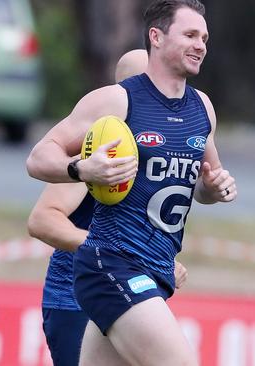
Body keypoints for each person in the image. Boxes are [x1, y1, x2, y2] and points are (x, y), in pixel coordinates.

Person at [26, 1, 236, 364]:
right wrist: (82, 170)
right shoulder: (116, 103)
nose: (201, 44)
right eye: (190, 35)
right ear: (156, 37)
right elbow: (38, 158)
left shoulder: (202, 108)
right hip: (112, 266)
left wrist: (213, 190)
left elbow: (203, 186)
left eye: (204, 37)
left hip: (156, 269)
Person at [27, 48, 188, 366]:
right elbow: (42, 220)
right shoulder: (103, 148)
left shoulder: (158, 144)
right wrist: (115, 255)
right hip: (74, 302)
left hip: (126, 291)